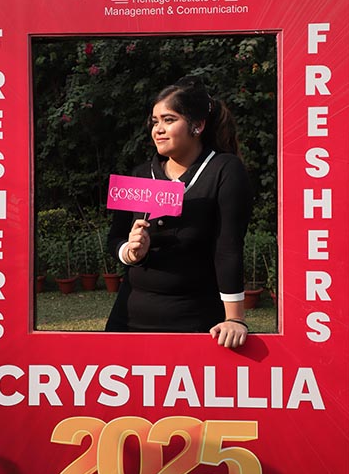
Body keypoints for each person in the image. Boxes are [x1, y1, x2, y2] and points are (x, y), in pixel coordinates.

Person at [105, 76, 252, 348]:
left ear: (197, 126)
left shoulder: (225, 170)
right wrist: (130, 252)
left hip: (194, 322)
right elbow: (114, 239)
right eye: (155, 122)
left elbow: (228, 248)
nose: (158, 130)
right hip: (127, 322)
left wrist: (235, 318)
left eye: (169, 120)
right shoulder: (139, 175)